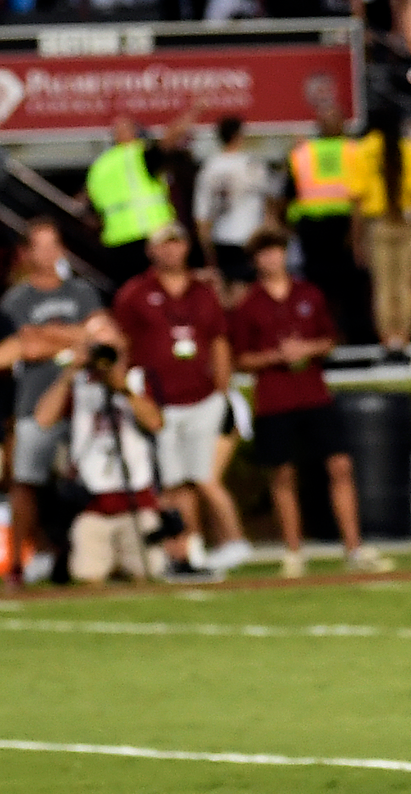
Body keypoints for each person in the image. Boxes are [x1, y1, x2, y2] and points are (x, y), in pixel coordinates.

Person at [231, 227, 393, 578]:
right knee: (283, 475)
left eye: (276, 251)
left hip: (314, 393)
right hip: (275, 400)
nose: (272, 259)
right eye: (264, 253)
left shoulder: (308, 293)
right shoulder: (249, 305)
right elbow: (240, 358)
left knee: (339, 466)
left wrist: (307, 349)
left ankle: (353, 546)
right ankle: (293, 551)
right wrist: (276, 356)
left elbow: (329, 339)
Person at [113, 222, 234, 581]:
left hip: (201, 397)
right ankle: (178, 552)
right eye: (163, 245)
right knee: (171, 482)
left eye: (176, 243)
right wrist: (128, 394)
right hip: (158, 403)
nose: (170, 250)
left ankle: (194, 550)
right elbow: (123, 346)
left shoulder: (203, 290)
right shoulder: (135, 293)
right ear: (152, 250)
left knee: (198, 478)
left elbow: (219, 340)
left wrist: (223, 389)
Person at [1, 219, 108, 588]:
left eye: (53, 244)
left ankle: (68, 556)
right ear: (28, 253)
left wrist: (47, 336)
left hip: (86, 405)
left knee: (78, 483)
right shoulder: (17, 299)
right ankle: (18, 562)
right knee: (25, 481)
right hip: (36, 403)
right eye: (39, 246)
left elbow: (103, 336)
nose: (47, 254)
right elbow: (21, 346)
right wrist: (76, 340)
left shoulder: (82, 291)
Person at [33, 322, 167, 584]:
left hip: (136, 499)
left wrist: (123, 387)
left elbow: (155, 422)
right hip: (91, 502)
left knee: (148, 573)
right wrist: (71, 370)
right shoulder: (78, 383)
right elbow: (43, 419)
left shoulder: (138, 378)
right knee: (87, 576)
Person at [285, 108, 372, 348]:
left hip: (313, 230)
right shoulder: (356, 151)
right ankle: (353, 341)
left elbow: (287, 194)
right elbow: (363, 195)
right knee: (351, 289)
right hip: (346, 228)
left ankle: (323, 335)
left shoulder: (303, 153)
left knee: (319, 288)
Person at [351, 108, 411, 361]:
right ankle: (404, 337)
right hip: (405, 222)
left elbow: (357, 199)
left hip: (378, 223)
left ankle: (388, 339)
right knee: (405, 283)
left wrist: (356, 239)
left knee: (384, 286)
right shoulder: (410, 149)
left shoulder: (363, 150)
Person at [85, 116, 183, 288]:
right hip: (152, 237)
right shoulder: (140, 155)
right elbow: (168, 141)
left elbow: (91, 208)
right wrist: (195, 111)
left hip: (116, 242)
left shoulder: (100, 166)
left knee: (127, 296)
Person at [194, 116, 274, 309]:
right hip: (248, 235)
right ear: (239, 135)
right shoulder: (251, 164)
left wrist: (207, 248)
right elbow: (270, 199)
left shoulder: (210, 167)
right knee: (246, 294)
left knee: (223, 293)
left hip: (221, 236)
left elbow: (202, 215)